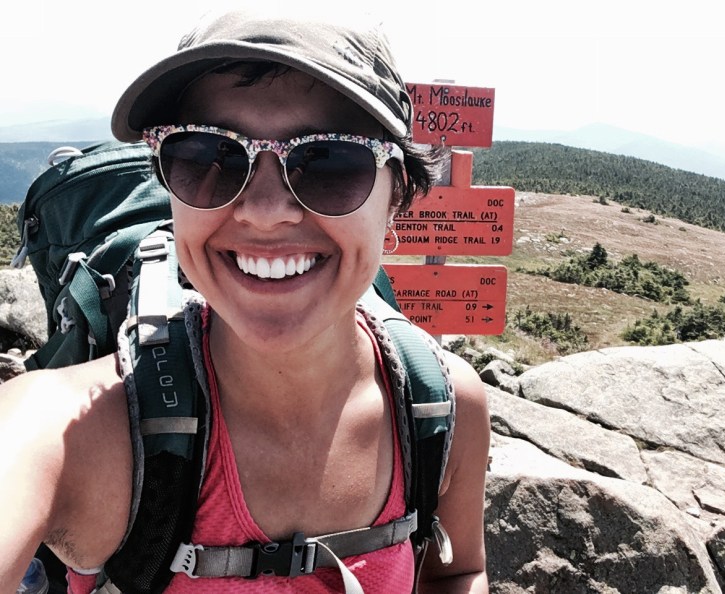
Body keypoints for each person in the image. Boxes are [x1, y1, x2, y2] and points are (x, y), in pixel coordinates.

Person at [0, 6, 490, 593]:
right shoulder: (60, 433)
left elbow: (458, 571)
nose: (263, 211)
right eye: (208, 156)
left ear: (397, 198)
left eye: (330, 160)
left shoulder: (443, 406)